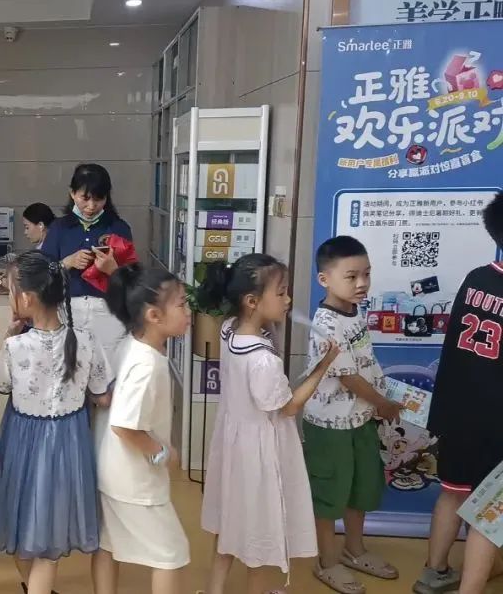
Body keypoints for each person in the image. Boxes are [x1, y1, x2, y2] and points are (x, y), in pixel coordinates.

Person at [197, 254, 339, 594]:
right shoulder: (262, 360)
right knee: (258, 536)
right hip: (259, 455)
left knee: (230, 523)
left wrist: (272, 320)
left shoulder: (230, 329)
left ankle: (214, 590)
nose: (288, 299)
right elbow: (288, 407)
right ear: (252, 301)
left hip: (234, 445)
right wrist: (324, 365)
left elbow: (265, 334)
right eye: (281, 292)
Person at [0, 251, 111, 594]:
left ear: (26, 299)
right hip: (69, 443)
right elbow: (102, 394)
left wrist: (8, 334)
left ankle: (35, 586)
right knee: (50, 537)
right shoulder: (85, 339)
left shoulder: (16, 346)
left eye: (10, 289)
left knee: (21, 527)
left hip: (23, 443)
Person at [416, 193, 503, 594]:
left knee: (452, 492)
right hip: (496, 421)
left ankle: (433, 572)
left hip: (456, 411)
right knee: (490, 509)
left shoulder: (475, 278)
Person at [306, 236, 402, 593]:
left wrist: (380, 401)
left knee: (361, 487)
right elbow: (347, 376)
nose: (362, 283)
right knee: (329, 493)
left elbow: (364, 362)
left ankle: (354, 550)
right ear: (324, 279)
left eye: (366, 274)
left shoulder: (354, 311)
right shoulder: (325, 324)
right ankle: (327, 561)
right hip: (330, 426)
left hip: (361, 418)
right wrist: (383, 404)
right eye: (351, 276)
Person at [90, 264, 189, 594]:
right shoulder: (147, 365)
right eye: (182, 304)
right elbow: (124, 425)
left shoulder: (130, 345)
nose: (189, 312)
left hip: (113, 472)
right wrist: (162, 453)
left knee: (108, 544)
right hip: (134, 482)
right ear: (153, 315)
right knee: (171, 553)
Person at [41, 163, 133, 357]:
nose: (91, 206)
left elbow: (133, 281)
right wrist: (66, 263)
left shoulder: (119, 228)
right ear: (72, 193)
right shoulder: (59, 228)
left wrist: (113, 270)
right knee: (70, 367)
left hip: (108, 313)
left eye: (98, 199)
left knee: (108, 369)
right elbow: (41, 273)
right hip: (67, 311)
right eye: (85, 198)